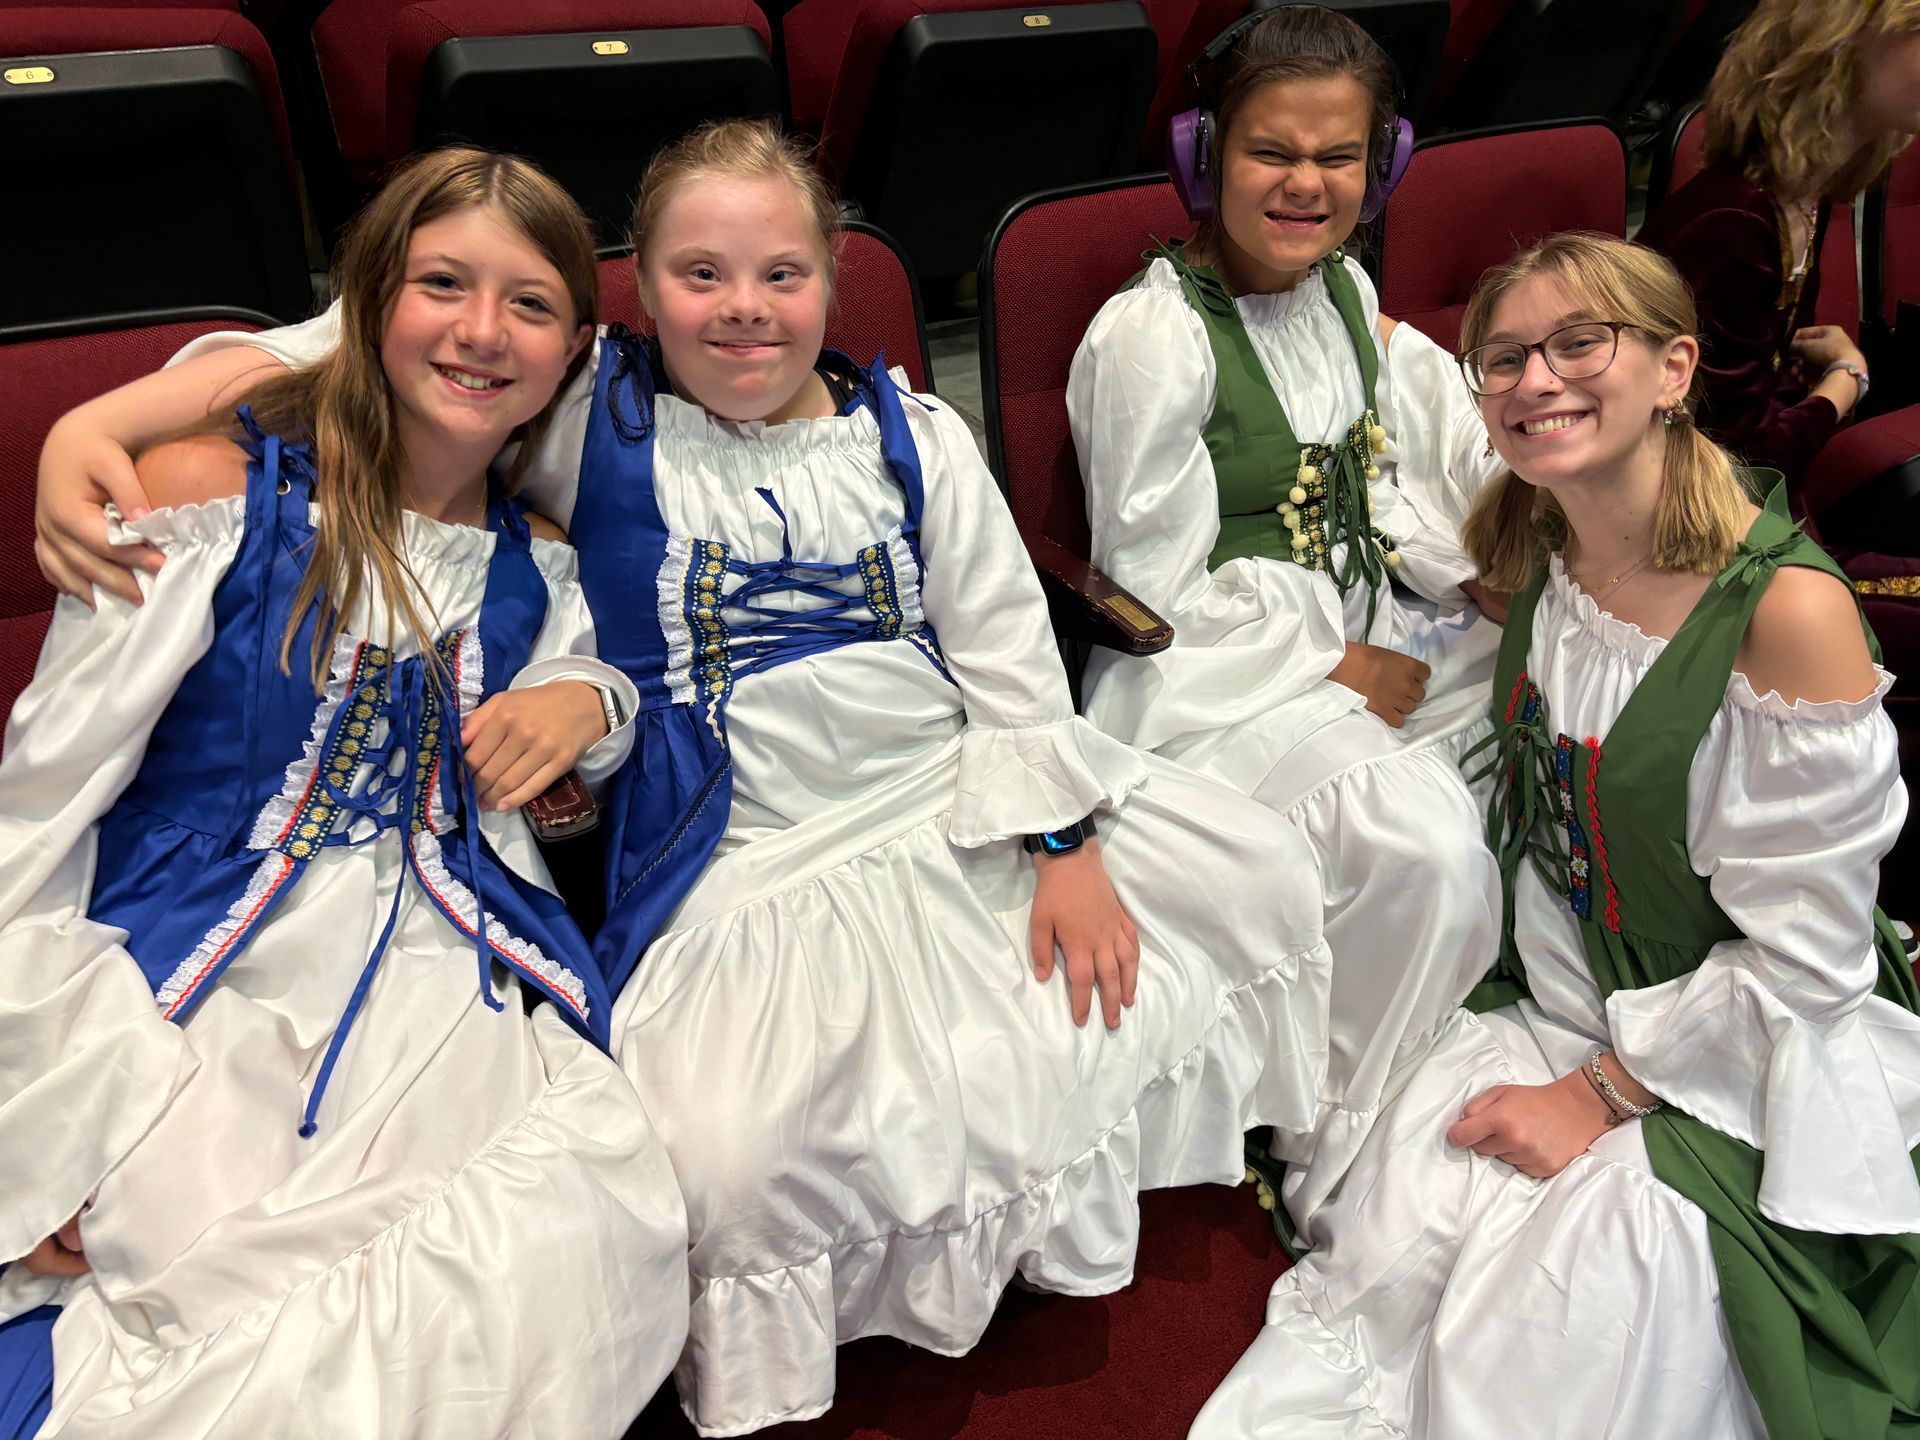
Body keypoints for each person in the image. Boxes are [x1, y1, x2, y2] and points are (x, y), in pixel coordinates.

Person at [32, 120, 1340, 1438]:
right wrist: (99, 418)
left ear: (832, 275)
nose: (745, 312)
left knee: (1244, 890)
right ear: (637, 295)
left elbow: (1003, 646)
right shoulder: (579, 413)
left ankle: (1072, 1235)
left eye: (783, 274)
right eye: (699, 275)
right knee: (720, 1148)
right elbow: (382, 338)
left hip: (936, 791)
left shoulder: (914, 434)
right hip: (745, 837)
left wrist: (1065, 847)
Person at [0, 149, 691, 1439]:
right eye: (441, 283)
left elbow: (591, 725)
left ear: (574, 349)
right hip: (184, 952)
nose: (482, 332)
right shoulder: (215, 498)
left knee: (560, 1232)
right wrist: (41, 1102)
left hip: (439, 955)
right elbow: (35, 809)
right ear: (371, 301)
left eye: (530, 303)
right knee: (211, 1297)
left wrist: (588, 697)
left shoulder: (533, 567)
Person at [1191, 231, 1920, 1440]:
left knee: (1554, 1331)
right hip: (1561, 991)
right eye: (1505, 359)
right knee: (1395, 1234)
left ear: (1675, 368)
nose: (1538, 379)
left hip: (1732, 1047)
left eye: (1581, 343)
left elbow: (1814, 965)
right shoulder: (1549, 554)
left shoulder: (1787, 616)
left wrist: (1599, 1092)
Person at [1066, 4, 1501, 1228]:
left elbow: (1409, 462)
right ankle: (1331, 1140)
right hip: (1220, 680)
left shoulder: (1349, 295)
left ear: (1385, 165)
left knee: (1569, 700)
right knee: (1422, 846)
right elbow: (1151, 589)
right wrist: (1330, 658)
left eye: (1339, 157)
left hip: (1379, 640)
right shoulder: (1153, 337)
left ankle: (1401, 1054)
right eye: (1272, 152)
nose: (1306, 184)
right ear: (1205, 160)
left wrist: (1476, 563)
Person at [1639, 0, 1920, 485]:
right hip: (1681, 510)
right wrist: (1848, 379)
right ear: (1845, 41)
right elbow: (1741, 459)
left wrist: (1797, 355)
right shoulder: (1731, 220)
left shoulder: (1806, 193)